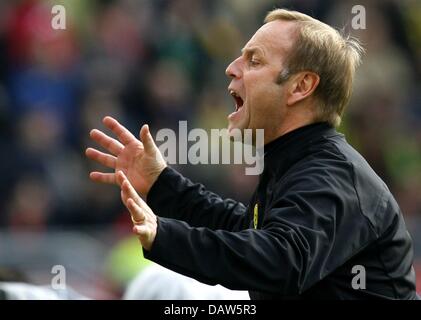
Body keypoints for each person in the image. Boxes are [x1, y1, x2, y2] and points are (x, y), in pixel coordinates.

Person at [86, 9, 418, 299]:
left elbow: (280, 259)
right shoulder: (295, 164)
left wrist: (165, 235)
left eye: (254, 60)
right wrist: (161, 185)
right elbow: (246, 231)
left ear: (300, 87)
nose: (231, 68)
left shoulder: (331, 175)